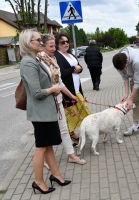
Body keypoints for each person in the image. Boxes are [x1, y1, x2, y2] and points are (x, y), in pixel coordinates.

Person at [19, 29, 71, 194]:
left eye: (41, 39)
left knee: (48, 146)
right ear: (28, 43)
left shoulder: (35, 59)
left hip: (46, 110)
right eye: (37, 40)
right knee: (41, 147)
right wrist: (53, 89)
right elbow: (36, 93)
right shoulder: (28, 62)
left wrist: (53, 89)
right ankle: (38, 181)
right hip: (40, 113)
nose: (41, 42)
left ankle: (56, 175)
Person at [38, 34, 86, 165]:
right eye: (51, 46)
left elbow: (59, 82)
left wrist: (71, 95)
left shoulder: (52, 59)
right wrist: (53, 90)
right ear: (42, 46)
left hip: (58, 100)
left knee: (64, 129)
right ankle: (45, 159)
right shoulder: (39, 61)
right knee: (48, 133)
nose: (54, 48)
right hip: (46, 103)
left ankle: (71, 155)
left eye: (54, 45)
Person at [54, 33, 90, 144]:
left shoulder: (70, 55)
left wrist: (78, 69)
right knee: (71, 115)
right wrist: (74, 68)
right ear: (57, 44)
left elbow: (80, 67)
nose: (66, 44)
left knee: (83, 111)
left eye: (67, 41)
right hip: (68, 91)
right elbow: (61, 73)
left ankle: (84, 132)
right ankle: (72, 137)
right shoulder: (57, 56)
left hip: (77, 89)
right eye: (62, 42)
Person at [112, 47, 139, 139]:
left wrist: (130, 99)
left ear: (127, 61)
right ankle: (135, 125)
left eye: (125, 67)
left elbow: (137, 81)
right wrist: (126, 95)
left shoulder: (136, 60)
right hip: (134, 76)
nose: (124, 69)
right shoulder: (118, 61)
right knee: (134, 101)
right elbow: (125, 77)